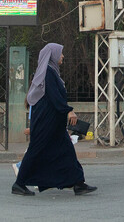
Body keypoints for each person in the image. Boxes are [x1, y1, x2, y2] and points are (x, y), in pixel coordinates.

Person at [12, 43, 97, 196]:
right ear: (53, 56)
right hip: (45, 123)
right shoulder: (47, 73)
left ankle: (78, 183)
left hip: (53, 123)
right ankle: (19, 184)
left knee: (67, 151)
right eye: (60, 53)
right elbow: (55, 98)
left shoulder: (51, 72)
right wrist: (69, 111)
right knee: (35, 151)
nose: (62, 56)